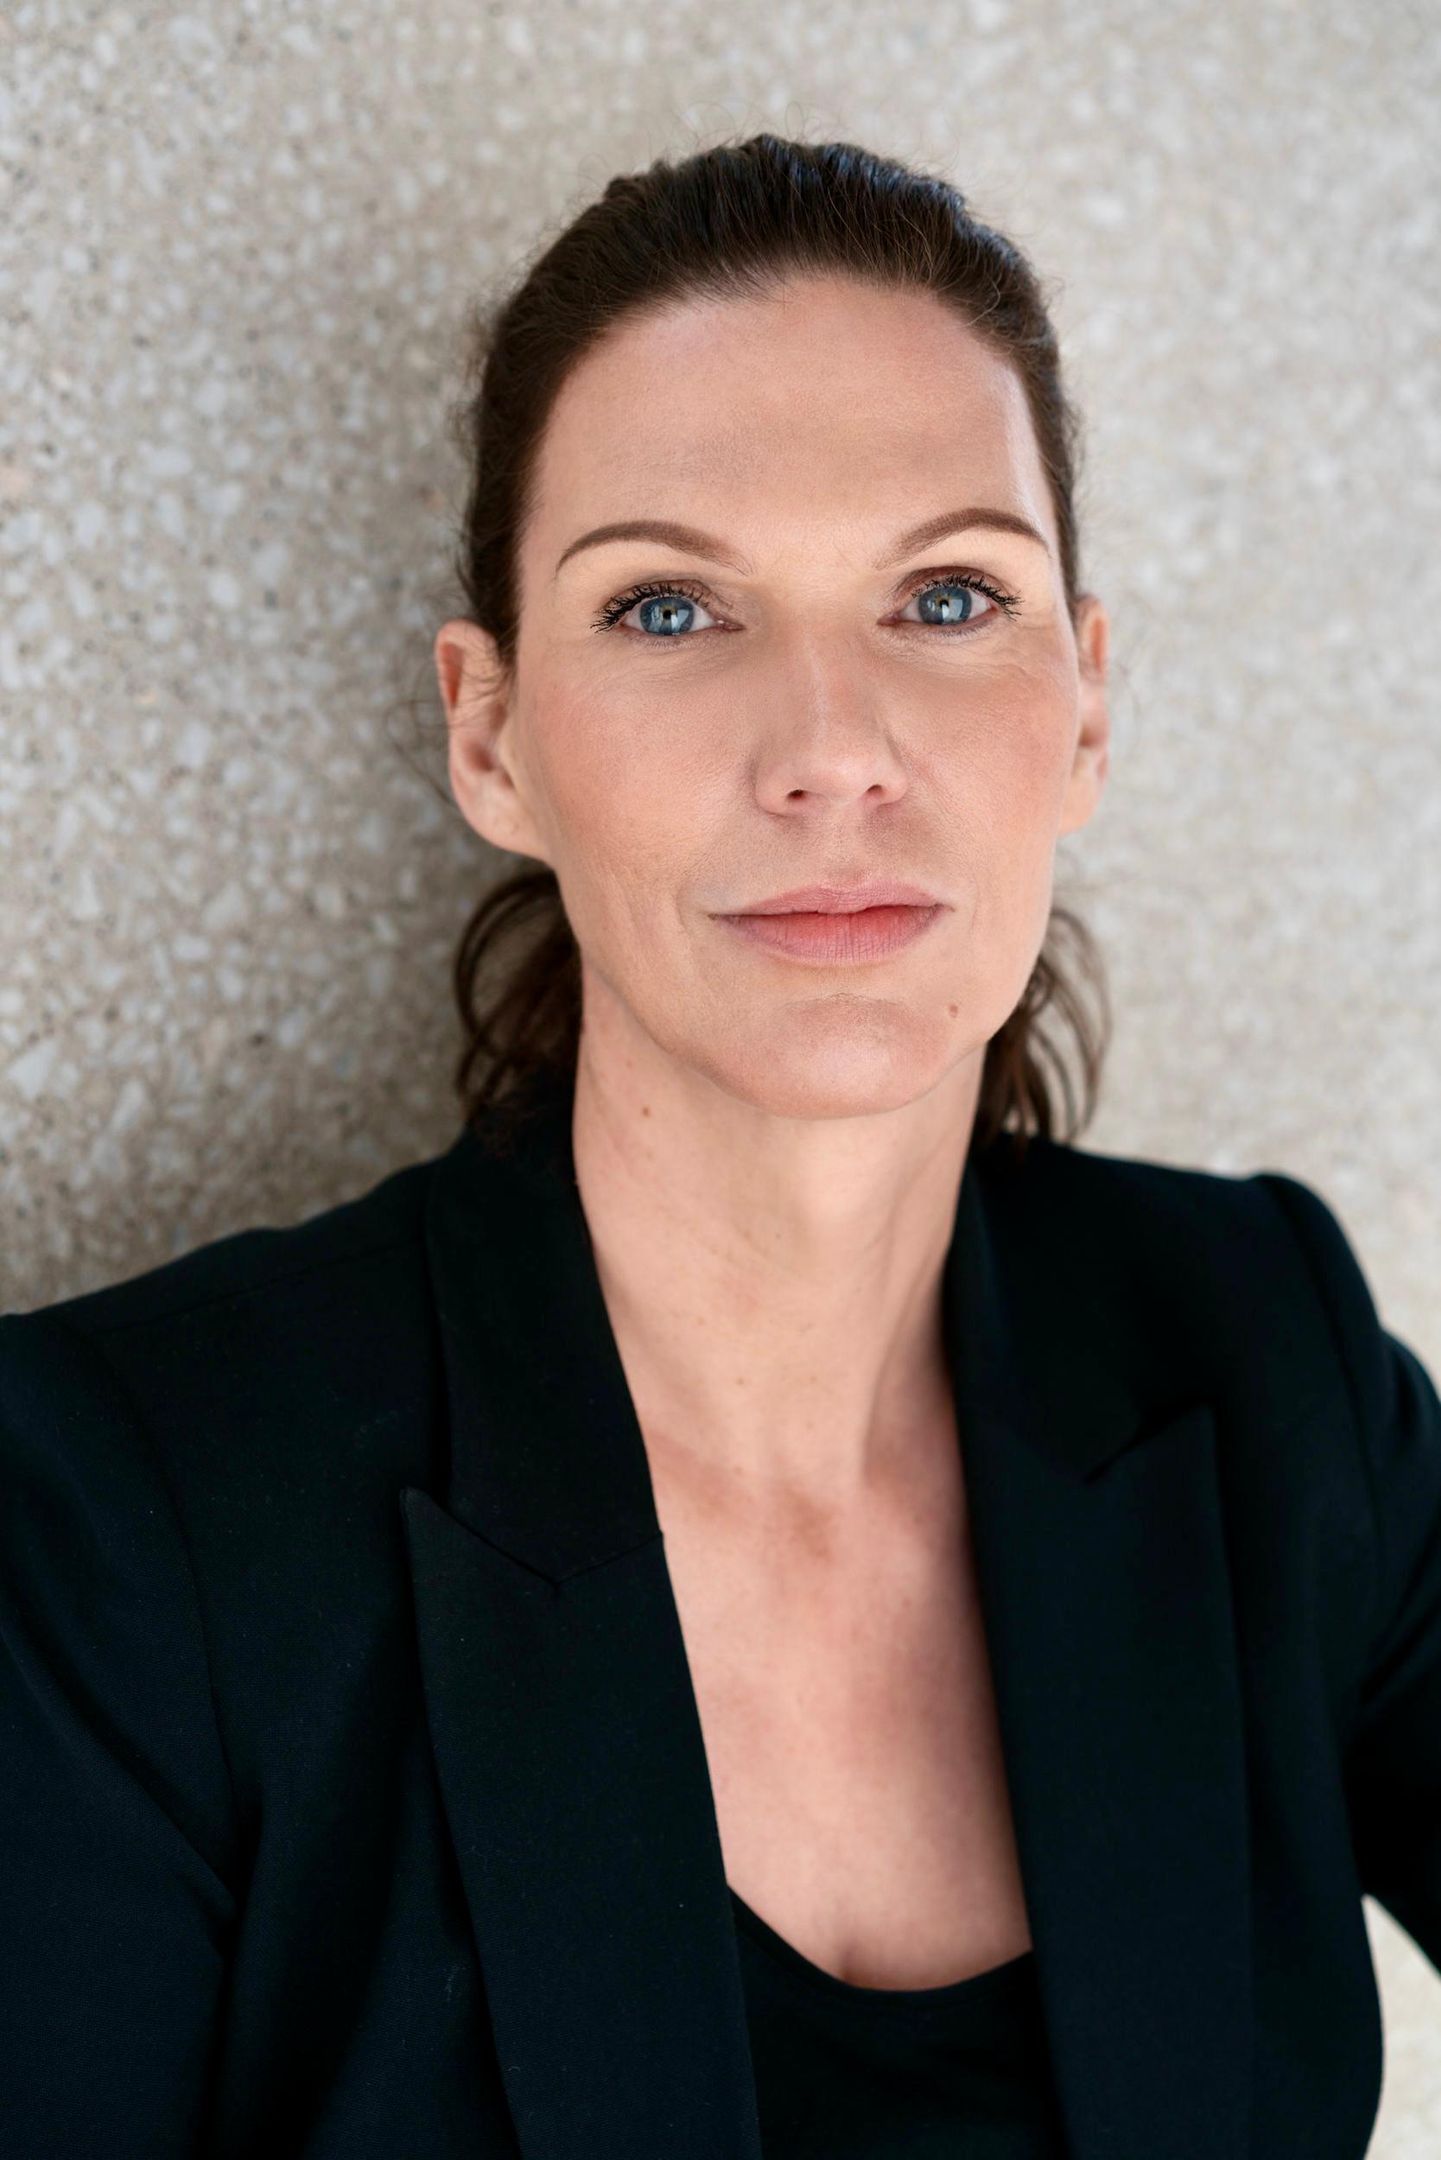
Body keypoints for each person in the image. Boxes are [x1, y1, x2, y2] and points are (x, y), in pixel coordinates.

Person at [2, 133, 1437, 2160]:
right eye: (670, 609)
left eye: (948, 596)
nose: (832, 746)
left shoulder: (1269, 1365)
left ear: (1085, 707)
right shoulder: (120, 1511)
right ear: (489, 733)